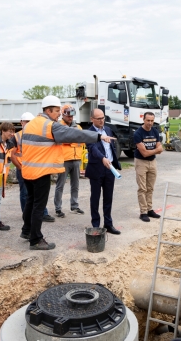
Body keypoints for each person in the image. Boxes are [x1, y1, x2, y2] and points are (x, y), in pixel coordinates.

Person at [21, 96, 115, 250]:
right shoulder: (50, 125)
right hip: (41, 171)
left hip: (28, 171)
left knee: (31, 202)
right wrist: (99, 136)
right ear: (48, 110)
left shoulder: (30, 125)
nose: (59, 114)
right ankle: (36, 239)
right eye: (57, 111)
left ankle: (26, 231)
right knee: (39, 205)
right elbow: (75, 134)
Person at [85, 108, 122, 235]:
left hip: (109, 170)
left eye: (103, 118)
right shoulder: (89, 133)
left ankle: (108, 224)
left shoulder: (108, 130)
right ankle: (96, 225)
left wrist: (113, 161)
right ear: (92, 119)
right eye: (99, 118)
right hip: (96, 169)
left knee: (108, 198)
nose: (102, 120)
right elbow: (93, 149)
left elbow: (112, 146)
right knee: (95, 198)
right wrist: (102, 158)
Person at [10, 112, 53, 221]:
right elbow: (13, 155)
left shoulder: (37, 134)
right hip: (23, 169)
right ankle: (27, 216)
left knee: (38, 194)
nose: (28, 123)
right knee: (25, 194)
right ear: (21, 122)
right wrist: (20, 168)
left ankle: (43, 213)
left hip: (35, 168)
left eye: (30, 122)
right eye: (26, 122)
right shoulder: (17, 136)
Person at [53, 104, 85, 217]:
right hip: (64, 160)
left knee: (75, 185)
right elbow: (61, 140)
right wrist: (72, 140)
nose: (70, 118)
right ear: (63, 114)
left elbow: (81, 141)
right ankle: (58, 209)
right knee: (60, 185)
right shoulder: (58, 126)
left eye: (72, 116)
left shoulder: (78, 127)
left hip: (76, 159)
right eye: (68, 116)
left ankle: (74, 206)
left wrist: (70, 140)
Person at [133, 111, 163, 222]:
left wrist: (154, 150)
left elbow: (160, 147)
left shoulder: (155, 132)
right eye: (148, 120)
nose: (150, 123)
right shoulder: (138, 133)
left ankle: (150, 209)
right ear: (143, 120)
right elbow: (144, 153)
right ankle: (143, 212)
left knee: (150, 188)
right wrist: (156, 150)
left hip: (152, 162)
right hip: (141, 162)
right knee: (142, 188)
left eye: (152, 120)